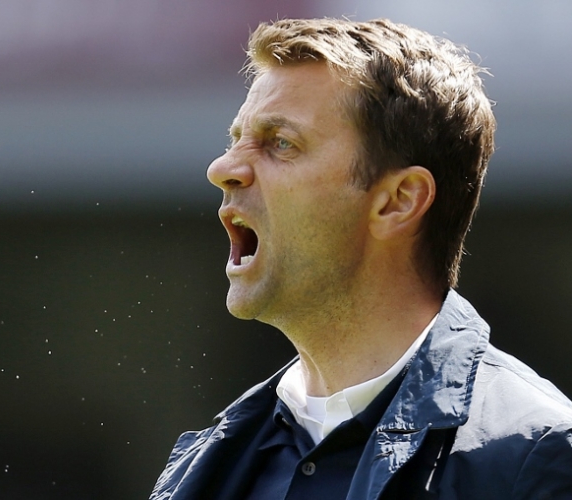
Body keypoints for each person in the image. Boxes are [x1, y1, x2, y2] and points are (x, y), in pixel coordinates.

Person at [150, 18, 572, 500]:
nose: (222, 168)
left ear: (398, 201)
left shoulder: (536, 456)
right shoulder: (204, 466)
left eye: (281, 142)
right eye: (235, 140)